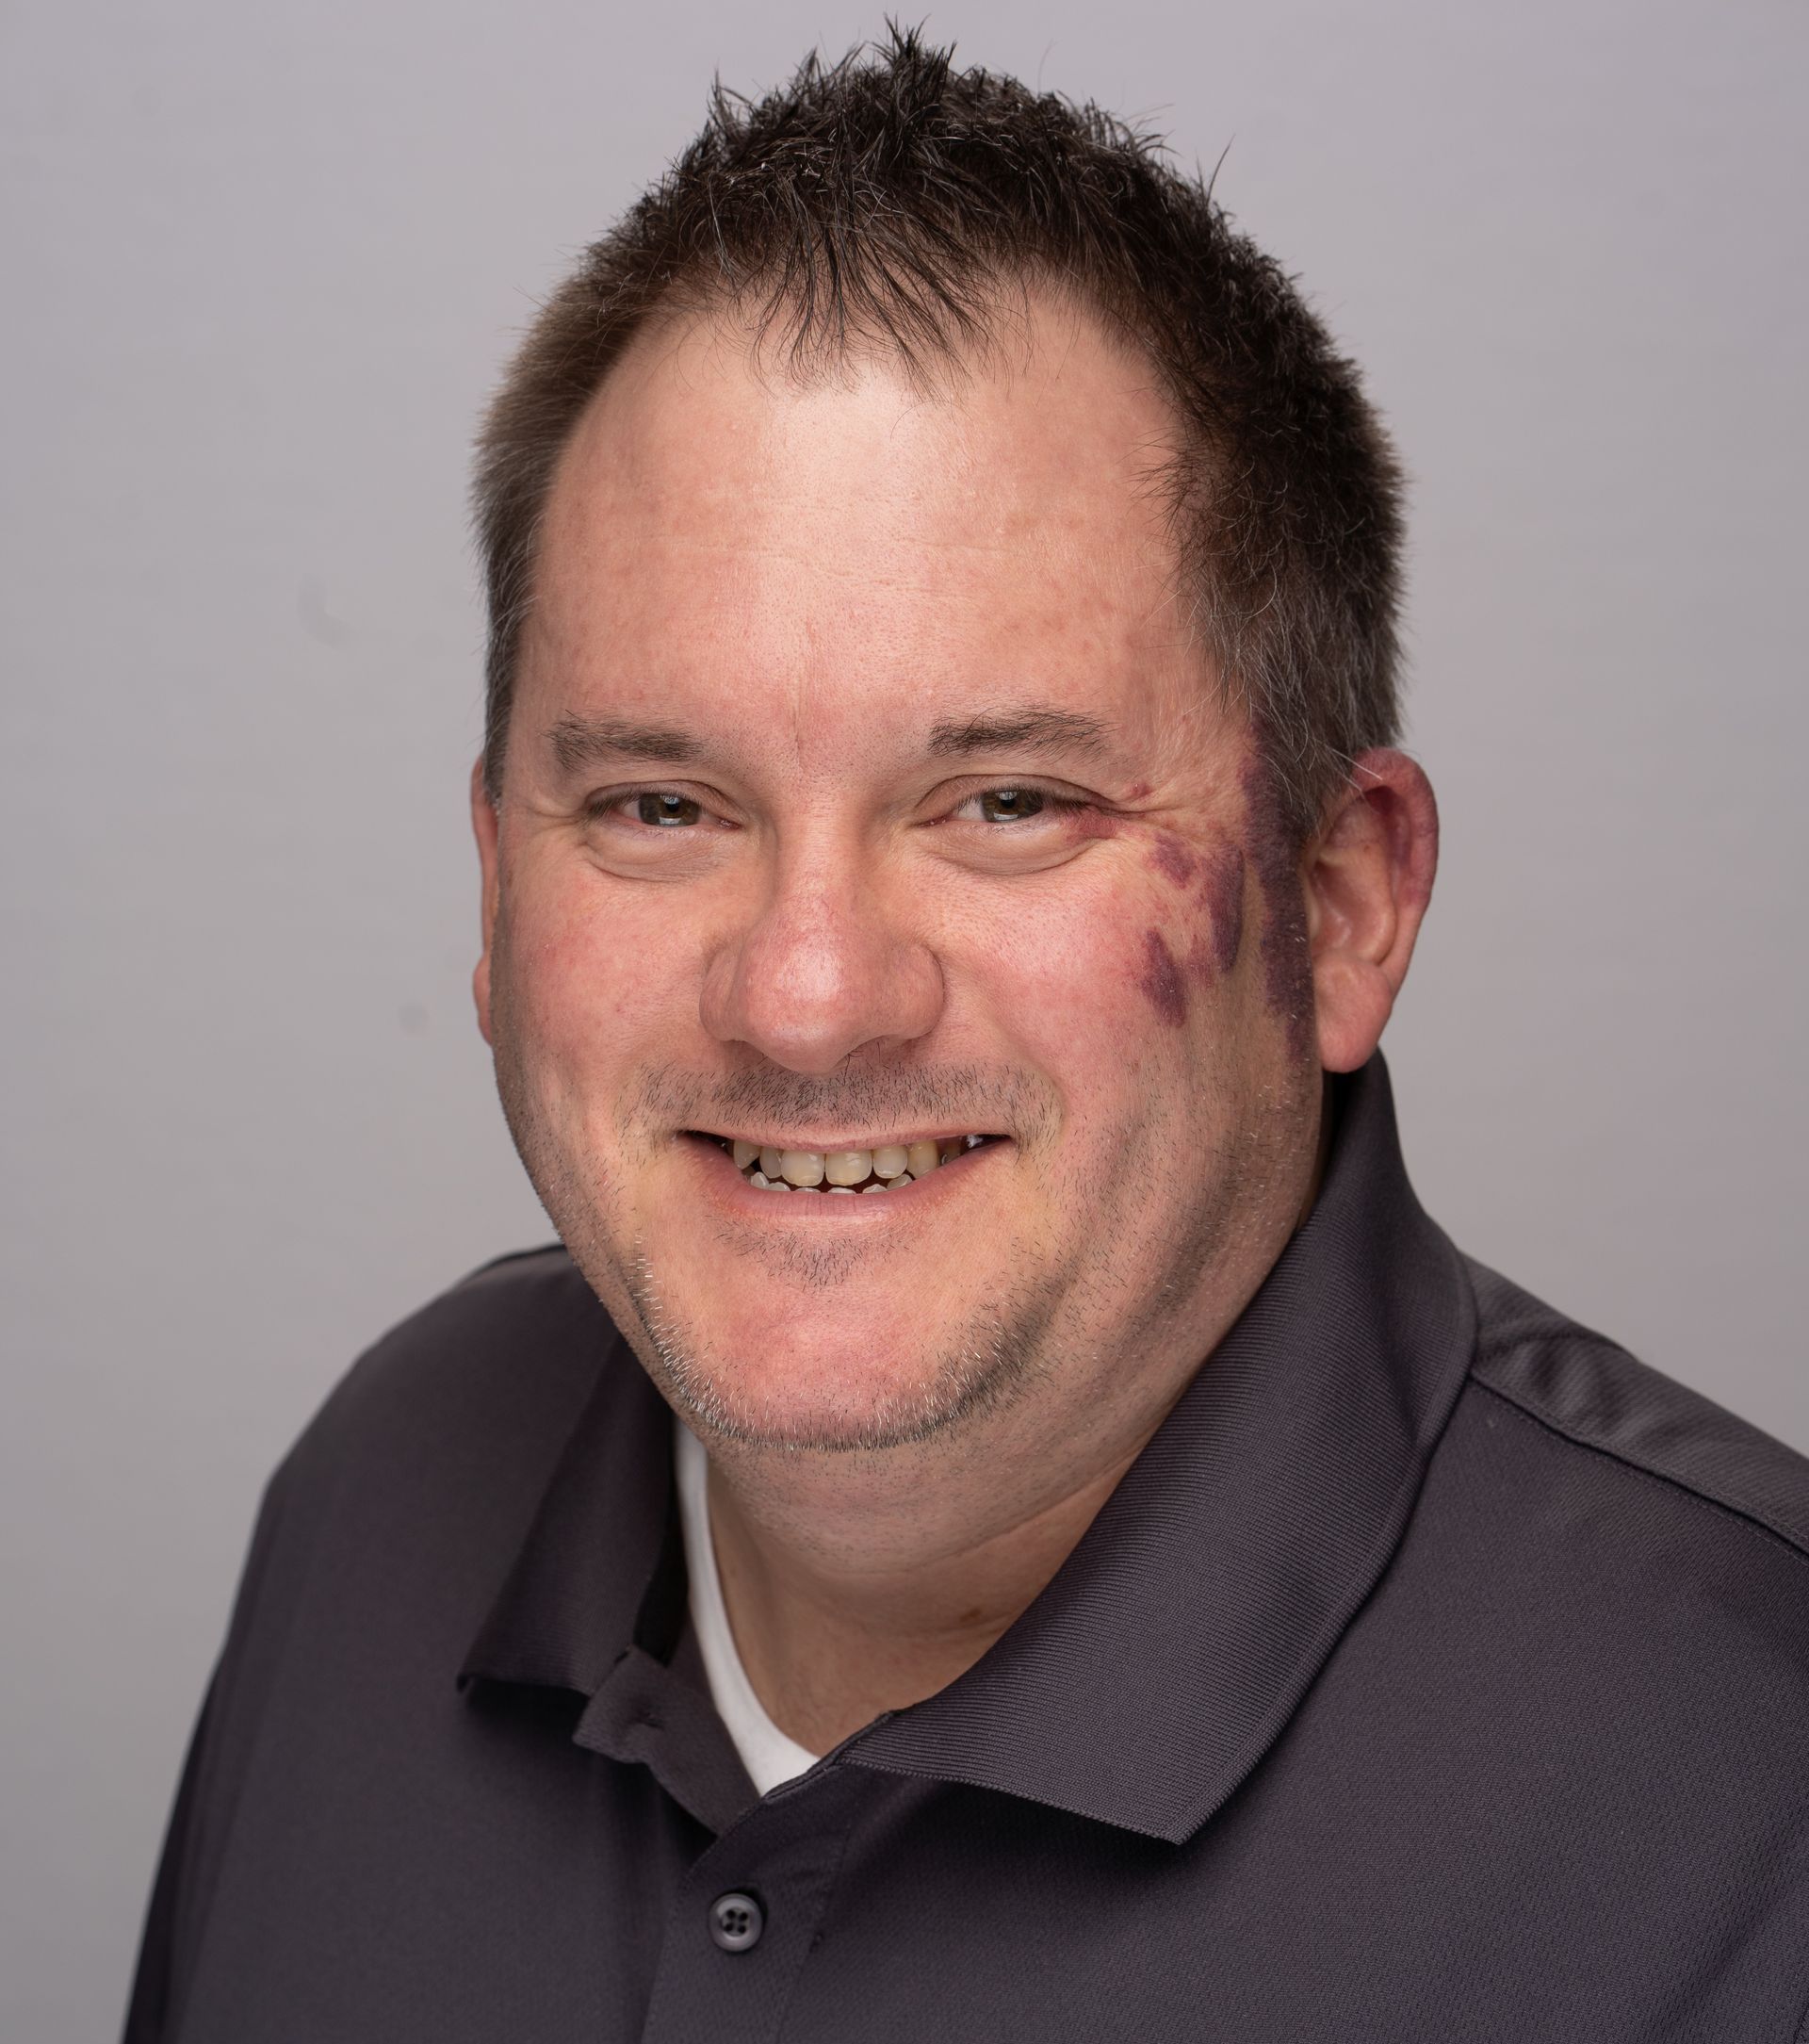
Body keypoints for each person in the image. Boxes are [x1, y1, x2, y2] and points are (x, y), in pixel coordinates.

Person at [123, 31, 1809, 2042]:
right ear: (498, 888)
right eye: (662, 804)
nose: (808, 993)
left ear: (1344, 904)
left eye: (1008, 799)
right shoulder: (385, 1487)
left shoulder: (1751, 1794)